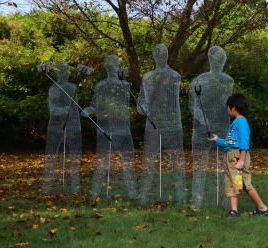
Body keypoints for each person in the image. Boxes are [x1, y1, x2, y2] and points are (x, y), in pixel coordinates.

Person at [82, 55, 137, 200]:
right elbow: (95, 105)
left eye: (114, 64)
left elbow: (125, 99)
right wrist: (88, 110)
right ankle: (95, 194)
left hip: (123, 129)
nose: (111, 67)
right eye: (108, 65)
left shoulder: (125, 85)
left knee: (128, 163)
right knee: (101, 163)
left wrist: (122, 79)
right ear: (106, 67)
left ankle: (132, 193)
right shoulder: (100, 86)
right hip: (105, 129)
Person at [208, 94, 268, 217]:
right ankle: (234, 211)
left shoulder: (241, 122)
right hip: (230, 156)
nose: (227, 110)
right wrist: (218, 140)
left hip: (237, 156)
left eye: (228, 107)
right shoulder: (235, 123)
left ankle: (262, 208)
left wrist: (241, 159)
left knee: (242, 183)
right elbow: (232, 142)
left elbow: (243, 141)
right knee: (232, 182)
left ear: (234, 107)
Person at [137, 44, 187, 204]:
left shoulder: (174, 76)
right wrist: (143, 107)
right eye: (157, 53)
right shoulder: (147, 77)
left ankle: (180, 196)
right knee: (149, 161)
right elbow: (142, 101)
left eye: (163, 53)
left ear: (166, 55)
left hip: (172, 125)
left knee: (176, 161)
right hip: (153, 124)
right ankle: (144, 196)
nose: (160, 56)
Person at [189, 46, 234, 209]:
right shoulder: (199, 80)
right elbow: (193, 104)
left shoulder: (228, 80)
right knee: (199, 166)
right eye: (218, 59)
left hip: (223, 129)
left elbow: (229, 105)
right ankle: (197, 200)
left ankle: (227, 200)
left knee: (227, 167)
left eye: (223, 59)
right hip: (202, 130)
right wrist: (203, 119)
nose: (220, 62)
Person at [41, 62, 82, 195]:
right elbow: (52, 109)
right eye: (61, 72)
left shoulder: (72, 88)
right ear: (57, 74)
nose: (65, 75)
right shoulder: (53, 89)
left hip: (72, 126)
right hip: (55, 127)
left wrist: (71, 115)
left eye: (66, 72)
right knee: (51, 157)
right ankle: (47, 187)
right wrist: (65, 109)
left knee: (74, 158)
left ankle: (75, 187)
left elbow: (75, 109)